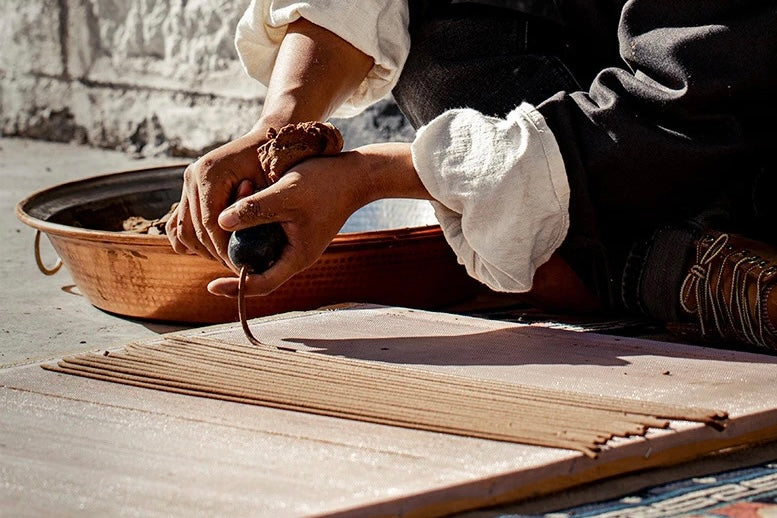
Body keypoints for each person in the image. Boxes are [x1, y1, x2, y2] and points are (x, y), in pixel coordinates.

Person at [166, 0, 777, 352]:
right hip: (605, 51)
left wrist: (374, 177)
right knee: (436, 42)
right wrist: (283, 127)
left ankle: (647, 268)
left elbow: (690, 91)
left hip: (732, 90)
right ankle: (630, 256)